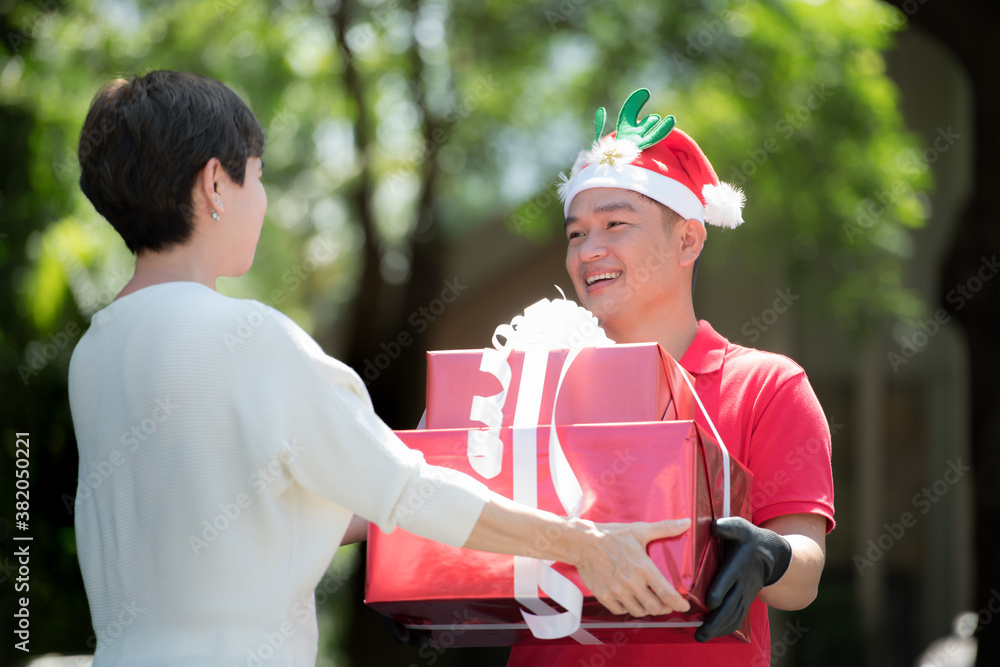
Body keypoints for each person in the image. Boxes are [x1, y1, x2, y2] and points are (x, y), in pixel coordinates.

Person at [67, 71, 694, 666]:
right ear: (213, 185)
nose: (261, 197)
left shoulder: (94, 352)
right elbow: (404, 491)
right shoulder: (249, 338)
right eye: (256, 177)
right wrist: (585, 543)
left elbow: (265, 510)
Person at [507, 89, 835, 665]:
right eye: (577, 233)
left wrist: (770, 556)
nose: (590, 250)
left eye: (615, 223)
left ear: (688, 239)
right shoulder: (532, 384)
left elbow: (802, 576)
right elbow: (420, 499)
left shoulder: (766, 385)